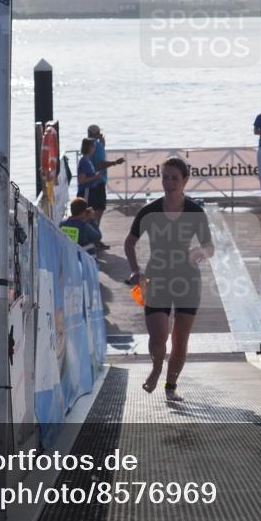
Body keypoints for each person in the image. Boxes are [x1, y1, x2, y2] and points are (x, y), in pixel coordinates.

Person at [124, 157, 214, 402]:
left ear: (185, 180)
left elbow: (209, 246)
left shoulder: (195, 212)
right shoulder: (150, 211)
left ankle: (170, 386)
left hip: (188, 280)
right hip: (157, 277)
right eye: (165, 177)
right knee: (158, 337)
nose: (169, 182)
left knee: (179, 339)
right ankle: (156, 368)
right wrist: (135, 270)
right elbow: (130, 242)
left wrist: (200, 252)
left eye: (175, 177)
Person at [86, 124, 125, 235]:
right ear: (97, 133)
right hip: (98, 181)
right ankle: (95, 235)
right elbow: (99, 164)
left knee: (94, 210)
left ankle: (93, 234)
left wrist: (102, 144)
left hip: (91, 182)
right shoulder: (96, 145)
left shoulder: (88, 144)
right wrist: (115, 163)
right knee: (98, 210)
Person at [76, 138, 102, 206]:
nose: (94, 148)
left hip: (90, 192)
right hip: (85, 192)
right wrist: (95, 176)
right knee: (85, 213)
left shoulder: (88, 160)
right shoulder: (84, 161)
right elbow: (81, 180)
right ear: (88, 147)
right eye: (93, 146)